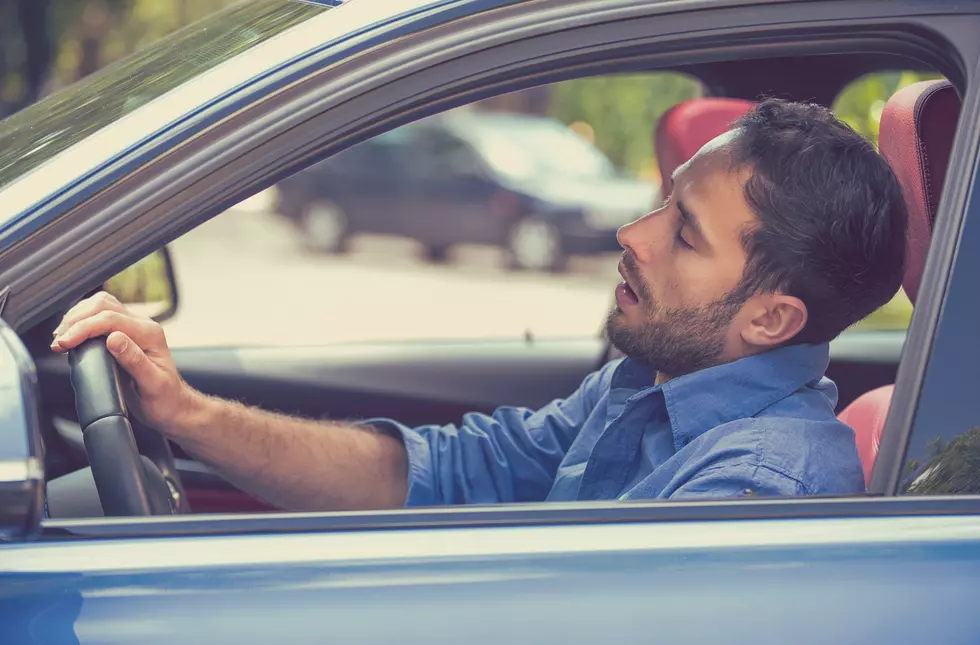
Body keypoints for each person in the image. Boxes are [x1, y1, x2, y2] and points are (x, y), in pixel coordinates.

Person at [50, 99, 908, 511]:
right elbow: (434, 475)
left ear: (770, 319)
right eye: (661, 201)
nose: (633, 233)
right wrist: (188, 413)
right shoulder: (647, 384)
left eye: (683, 234)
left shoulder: (755, 492)